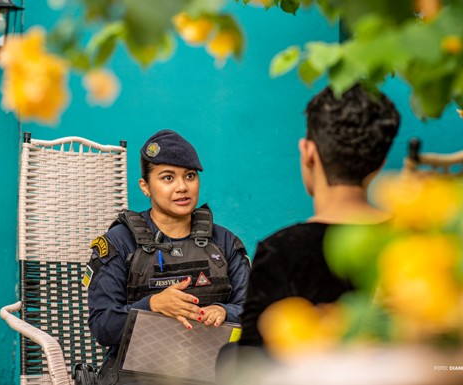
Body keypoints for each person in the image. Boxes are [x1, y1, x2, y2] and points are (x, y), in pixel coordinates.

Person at [236, 83, 400, 350]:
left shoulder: (280, 252)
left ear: (308, 153)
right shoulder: (413, 243)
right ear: (379, 164)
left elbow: (251, 366)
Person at [84, 129, 251, 384]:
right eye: (167, 178)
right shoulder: (119, 243)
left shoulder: (225, 243)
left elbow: (256, 312)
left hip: (211, 373)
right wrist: (152, 306)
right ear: (145, 187)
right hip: (137, 376)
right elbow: (103, 325)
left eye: (190, 176)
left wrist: (223, 311)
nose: (182, 187)